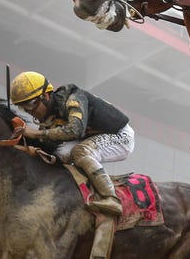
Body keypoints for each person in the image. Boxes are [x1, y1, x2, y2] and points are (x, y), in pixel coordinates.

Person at [10, 71, 135, 215]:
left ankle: (111, 199)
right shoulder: (49, 118)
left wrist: (35, 133)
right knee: (59, 154)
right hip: (92, 137)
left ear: (45, 96)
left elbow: (75, 130)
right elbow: (47, 148)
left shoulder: (73, 98)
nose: (29, 111)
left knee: (81, 152)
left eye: (30, 105)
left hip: (120, 135)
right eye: (23, 107)